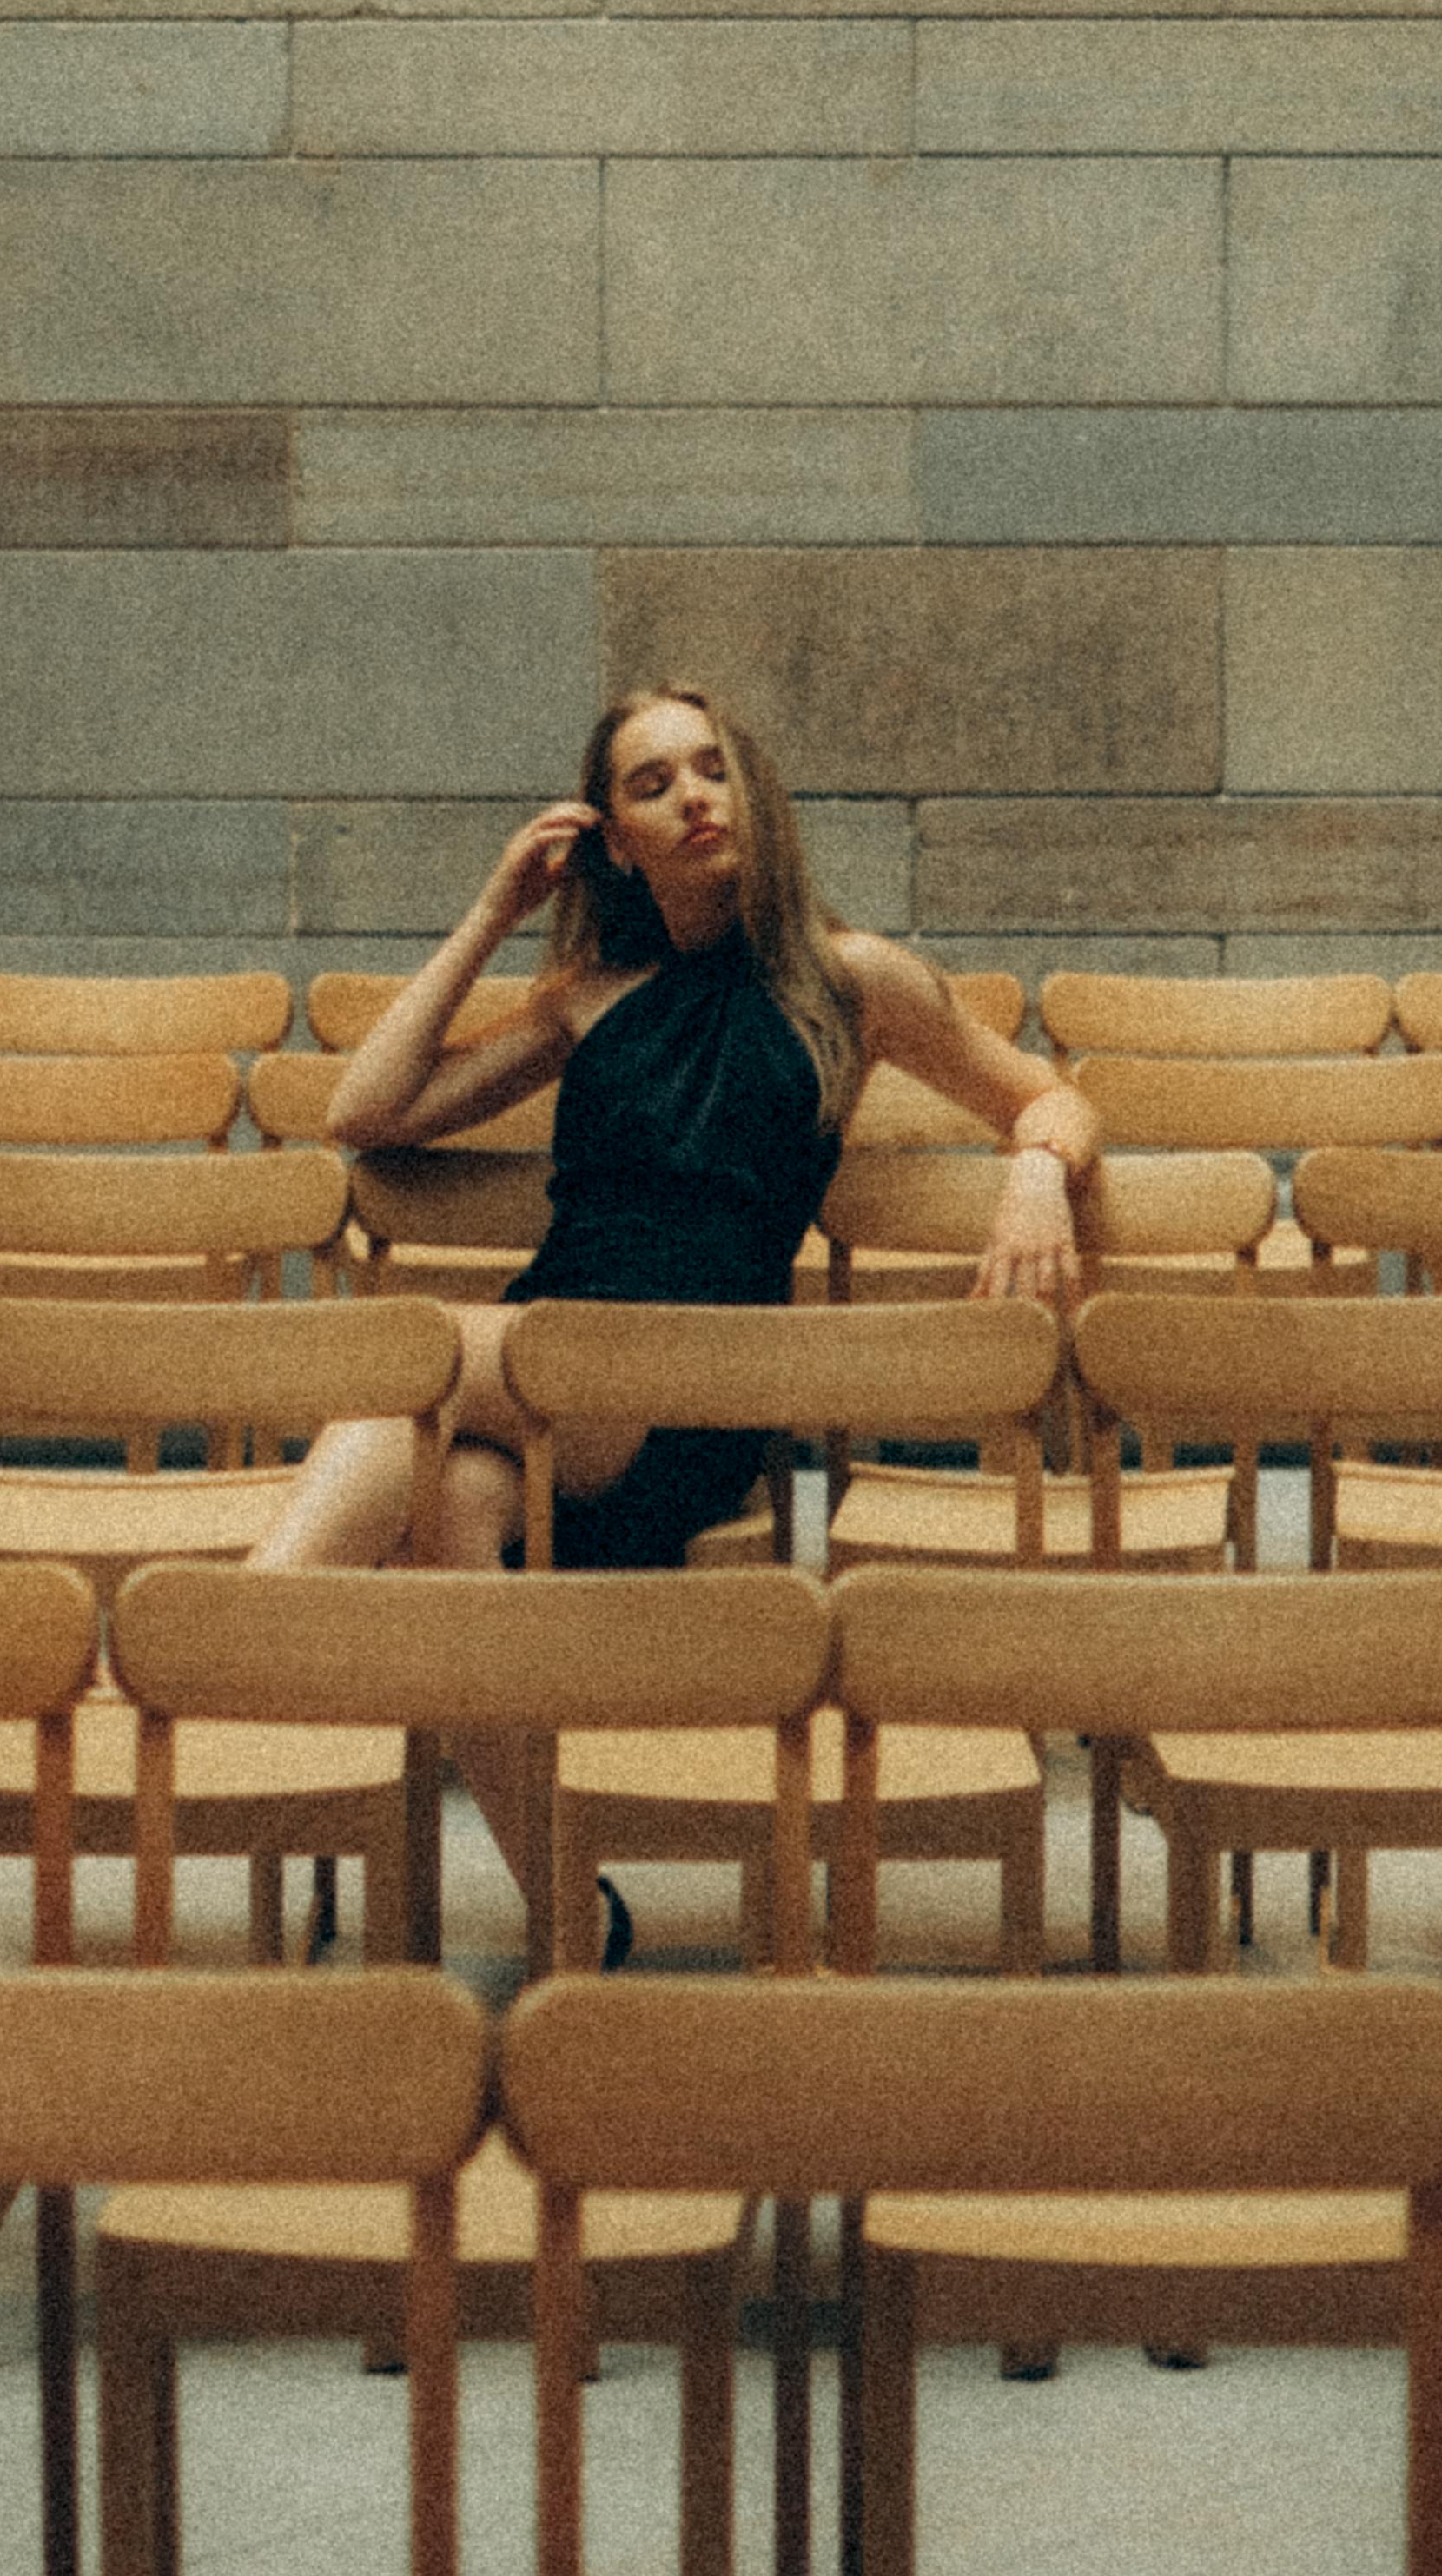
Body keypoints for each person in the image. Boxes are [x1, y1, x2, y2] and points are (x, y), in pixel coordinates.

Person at [250, 679, 1103, 1946]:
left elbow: (1053, 1099)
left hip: (699, 1385)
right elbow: (365, 1114)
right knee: (441, 1514)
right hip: (551, 1366)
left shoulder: (855, 980)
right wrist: (496, 911)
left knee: (401, 1362)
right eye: (652, 785)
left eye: (710, 768)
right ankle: (572, 1914)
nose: (694, 796)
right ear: (614, 838)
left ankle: (217, 1653)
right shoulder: (586, 996)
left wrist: (1036, 1169)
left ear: (751, 790)